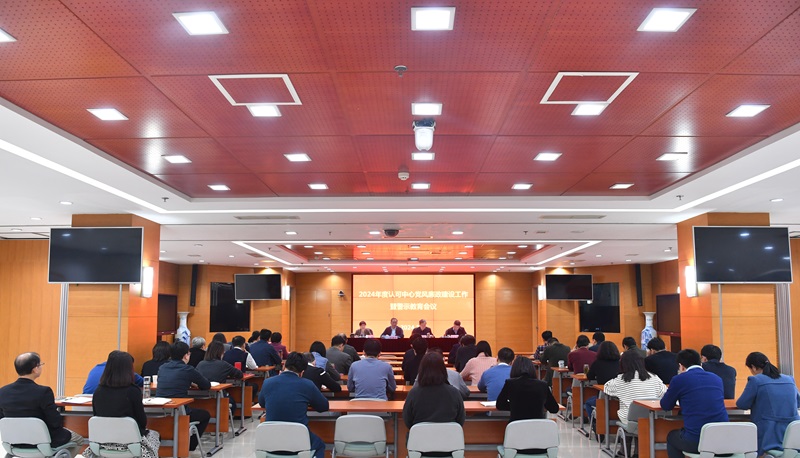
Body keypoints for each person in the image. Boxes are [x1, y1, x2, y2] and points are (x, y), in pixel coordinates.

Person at [0, 352, 84, 449]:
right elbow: (54, 421)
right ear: (35, 369)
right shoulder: (44, 392)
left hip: (15, 442)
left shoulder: (2, 391)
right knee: (79, 439)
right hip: (44, 441)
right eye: (40, 365)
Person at [89, 351, 160, 458]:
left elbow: (96, 415)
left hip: (102, 444)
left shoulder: (98, 391)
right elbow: (142, 422)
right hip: (131, 444)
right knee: (155, 435)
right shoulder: (133, 391)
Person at [259, 352, 330, 458]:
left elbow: (262, 403)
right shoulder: (307, 384)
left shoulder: (267, 382)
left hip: (271, 441)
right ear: (302, 373)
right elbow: (324, 406)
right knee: (320, 445)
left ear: (284, 366)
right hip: (298, 442)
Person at [661, 349, 728, 458]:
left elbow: (666, 405)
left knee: (672, 437)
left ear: (681, 366)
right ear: (700, 363)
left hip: (696, 442)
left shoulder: (679, 379)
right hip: (723, 442)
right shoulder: (717, 379)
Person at [736, 352, 800, 456]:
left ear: (753, 367)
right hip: (793, 434)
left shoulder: (756, 380)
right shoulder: (789, 379)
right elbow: (798, 402)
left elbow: (742, 404)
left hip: (769, 434)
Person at [156, 342, 212, 451]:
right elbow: (206, 385)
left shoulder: (162, 367)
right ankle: (190, 446)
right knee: (205, 415)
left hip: (162, 411)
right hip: (179, 411)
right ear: (186, 355)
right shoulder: (188, 369)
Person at [403, 352, 465, 430]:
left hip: (420, 436)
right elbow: (460, 419)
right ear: (443, 370)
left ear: (421, 370)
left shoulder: (413, 393)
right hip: (448, 436)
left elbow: (407, 420)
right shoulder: (454, 392)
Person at [603, 350, 666, 427]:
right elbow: (665, 392)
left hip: (630, 421)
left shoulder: (621, 380)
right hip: (652, 420)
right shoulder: (654, 378)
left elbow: (606, 387)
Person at [496, 355, 560, 422]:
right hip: (537, 426)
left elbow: (500, 405)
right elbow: (554, 409)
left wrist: (515, 406)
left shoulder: (510, 383)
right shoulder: (542, 385)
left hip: (516, 425)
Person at [584, 341, 621, 419]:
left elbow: (589, 376)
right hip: (619, 397)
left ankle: (595, 423)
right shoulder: (620, 363)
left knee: (588, 403)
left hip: (603, 395)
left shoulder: (597, 363)